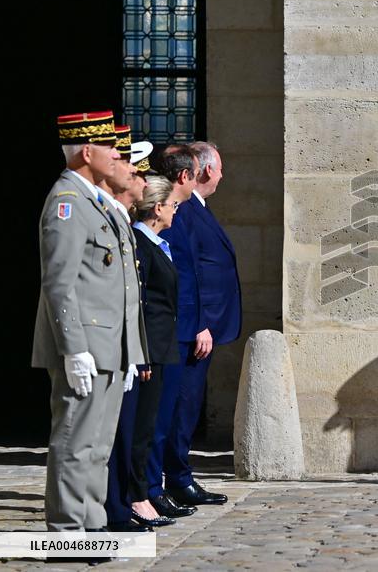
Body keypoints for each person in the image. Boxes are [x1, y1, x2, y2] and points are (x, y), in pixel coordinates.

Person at [32, 111, 126, 539]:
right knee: (74, 442)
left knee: (97, 447)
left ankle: (93, 526)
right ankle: (68, 530)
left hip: (107, 345)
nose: (116, 154)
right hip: (85, 344)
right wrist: (73, 349)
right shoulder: (67, 202)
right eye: (109, 146)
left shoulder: (94, 200)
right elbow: (59, 281)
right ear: (88, 152)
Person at [151, 141, 241, 511]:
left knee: (185, 405)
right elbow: (186, 273)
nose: (222, 175)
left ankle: (178, 474)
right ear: (203, 171)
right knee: (178, 406)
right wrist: (201, 322)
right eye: (219, 168)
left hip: (200, 326)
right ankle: (174, 478)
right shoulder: (183, 209)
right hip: (191, 327)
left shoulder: (196, 208)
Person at [100, 125, 152, 532]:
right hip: (98, 346)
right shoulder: (78, 207)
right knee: (89, 443)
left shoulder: (117, 217)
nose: (139, 179)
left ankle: (113, 509)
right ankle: (81, 529)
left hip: (121, 347)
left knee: (116, 436)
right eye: (133, 170)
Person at [129, 175, 183, 527]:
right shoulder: (140, 244)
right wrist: (143, 350)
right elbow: (140, 303)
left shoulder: (158, 243)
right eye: (173, 205)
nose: (176, 211)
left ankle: (146, 491)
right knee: (140, 428)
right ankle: (136, 497)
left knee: (152, 426)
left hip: (163, 345)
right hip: (150, 347)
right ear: (159, 207)